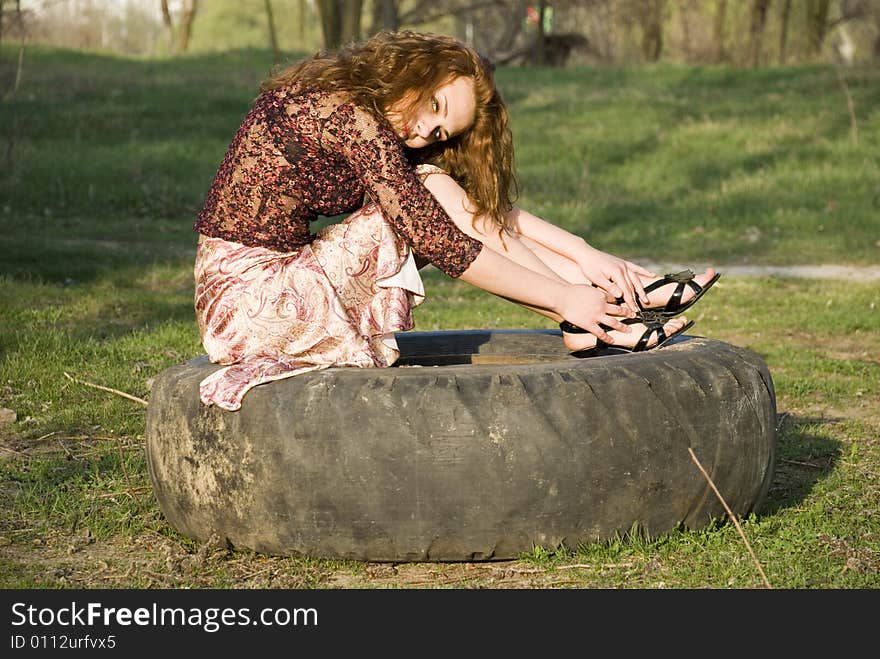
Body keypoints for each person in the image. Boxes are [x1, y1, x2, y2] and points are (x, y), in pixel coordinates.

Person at [192, 30, 719, 411]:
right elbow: (445, 243)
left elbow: (470, 210)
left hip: (275, 284)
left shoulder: (367, 114)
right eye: (435, 105)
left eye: (442, 132)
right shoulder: (345, 113)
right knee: (427, 192)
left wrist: (581, 252)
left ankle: (599, 302)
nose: (426, 130)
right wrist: (561, 295)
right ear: (417, 69)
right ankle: (589, 309)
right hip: (249, 301)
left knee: (431, 187)